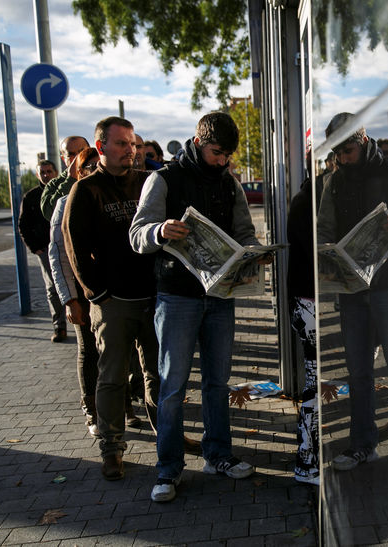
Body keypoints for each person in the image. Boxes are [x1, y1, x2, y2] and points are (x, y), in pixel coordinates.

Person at [130, 112, 263, 502]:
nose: (222, 161)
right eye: (216, 152)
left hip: (220, 297)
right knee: (172, 387)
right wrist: (160, 230)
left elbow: (244, 232)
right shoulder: (163, 179)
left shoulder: (230, 183)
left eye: (227, 155)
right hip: (177, 296)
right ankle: (168, 470)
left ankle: (217, 454)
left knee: (217, 383)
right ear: (198, 141)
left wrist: (253, 252)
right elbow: (137, 235)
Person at [317, 112, 388, 481]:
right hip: (353, 291)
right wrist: (325, 250)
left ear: (363, 141)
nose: (342, 159)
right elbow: (323, 230)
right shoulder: (333, 181)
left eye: (348, 150)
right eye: (336, 153)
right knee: (359, 375)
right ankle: (362, 445)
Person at [62, 116, 160, 481]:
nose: (130, 151)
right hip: (113, 301)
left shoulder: (147, 182)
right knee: (112, 377)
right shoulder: (86, 191)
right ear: (101, 147)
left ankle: (166, 435)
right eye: (122, 144)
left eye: (133, 144)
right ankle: (112, 449)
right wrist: (97, 294)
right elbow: (74, 248)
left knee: (157, 374)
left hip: (151, 297)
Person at [48, 148, 101, 436]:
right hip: (82, 292)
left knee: (120, 351)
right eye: (87, 166)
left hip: (113, 290)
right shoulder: (64, 203)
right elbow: (58, 254)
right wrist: (69, 299)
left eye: (97, 164)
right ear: (78, 172)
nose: (93, 169)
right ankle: (91, 411)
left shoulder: (112, 197)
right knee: (89, 349)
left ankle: (123, 407)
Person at [286, 164, 325, 486]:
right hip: (307, 301)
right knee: (313, 382)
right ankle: (307, 459)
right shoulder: (308, 201)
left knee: (315, 381)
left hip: (308, 301)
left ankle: (309, 456)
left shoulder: (312, 196)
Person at [19, 160, 67, 343]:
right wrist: (34, 247)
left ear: (55, 172)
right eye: (43, 172)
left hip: (65, 245)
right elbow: (23, 225)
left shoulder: (63, 191)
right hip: (45, 249)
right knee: (52, 288)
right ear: (38, 175)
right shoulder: (31, 197)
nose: (46, 175)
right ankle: (59, 326)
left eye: (49, 171)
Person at [40, 136, 89, 220]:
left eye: (82, 151)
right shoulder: (54, 184)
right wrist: (71, 180)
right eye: (71, 155)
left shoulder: (104, 175)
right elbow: (50, 214)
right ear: (64, 159)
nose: (78, 157)